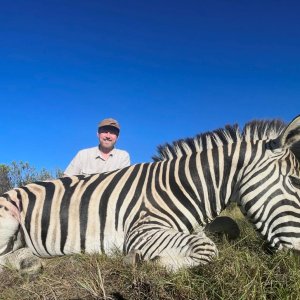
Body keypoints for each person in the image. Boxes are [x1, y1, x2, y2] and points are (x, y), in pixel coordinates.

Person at [64, 118, 130, 176]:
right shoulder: (83, 154)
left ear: (117, 137)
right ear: (98, 134)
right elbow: (66, 179)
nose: (108, 136)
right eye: (105, 131)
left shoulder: (123, 156)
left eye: (112, 133)